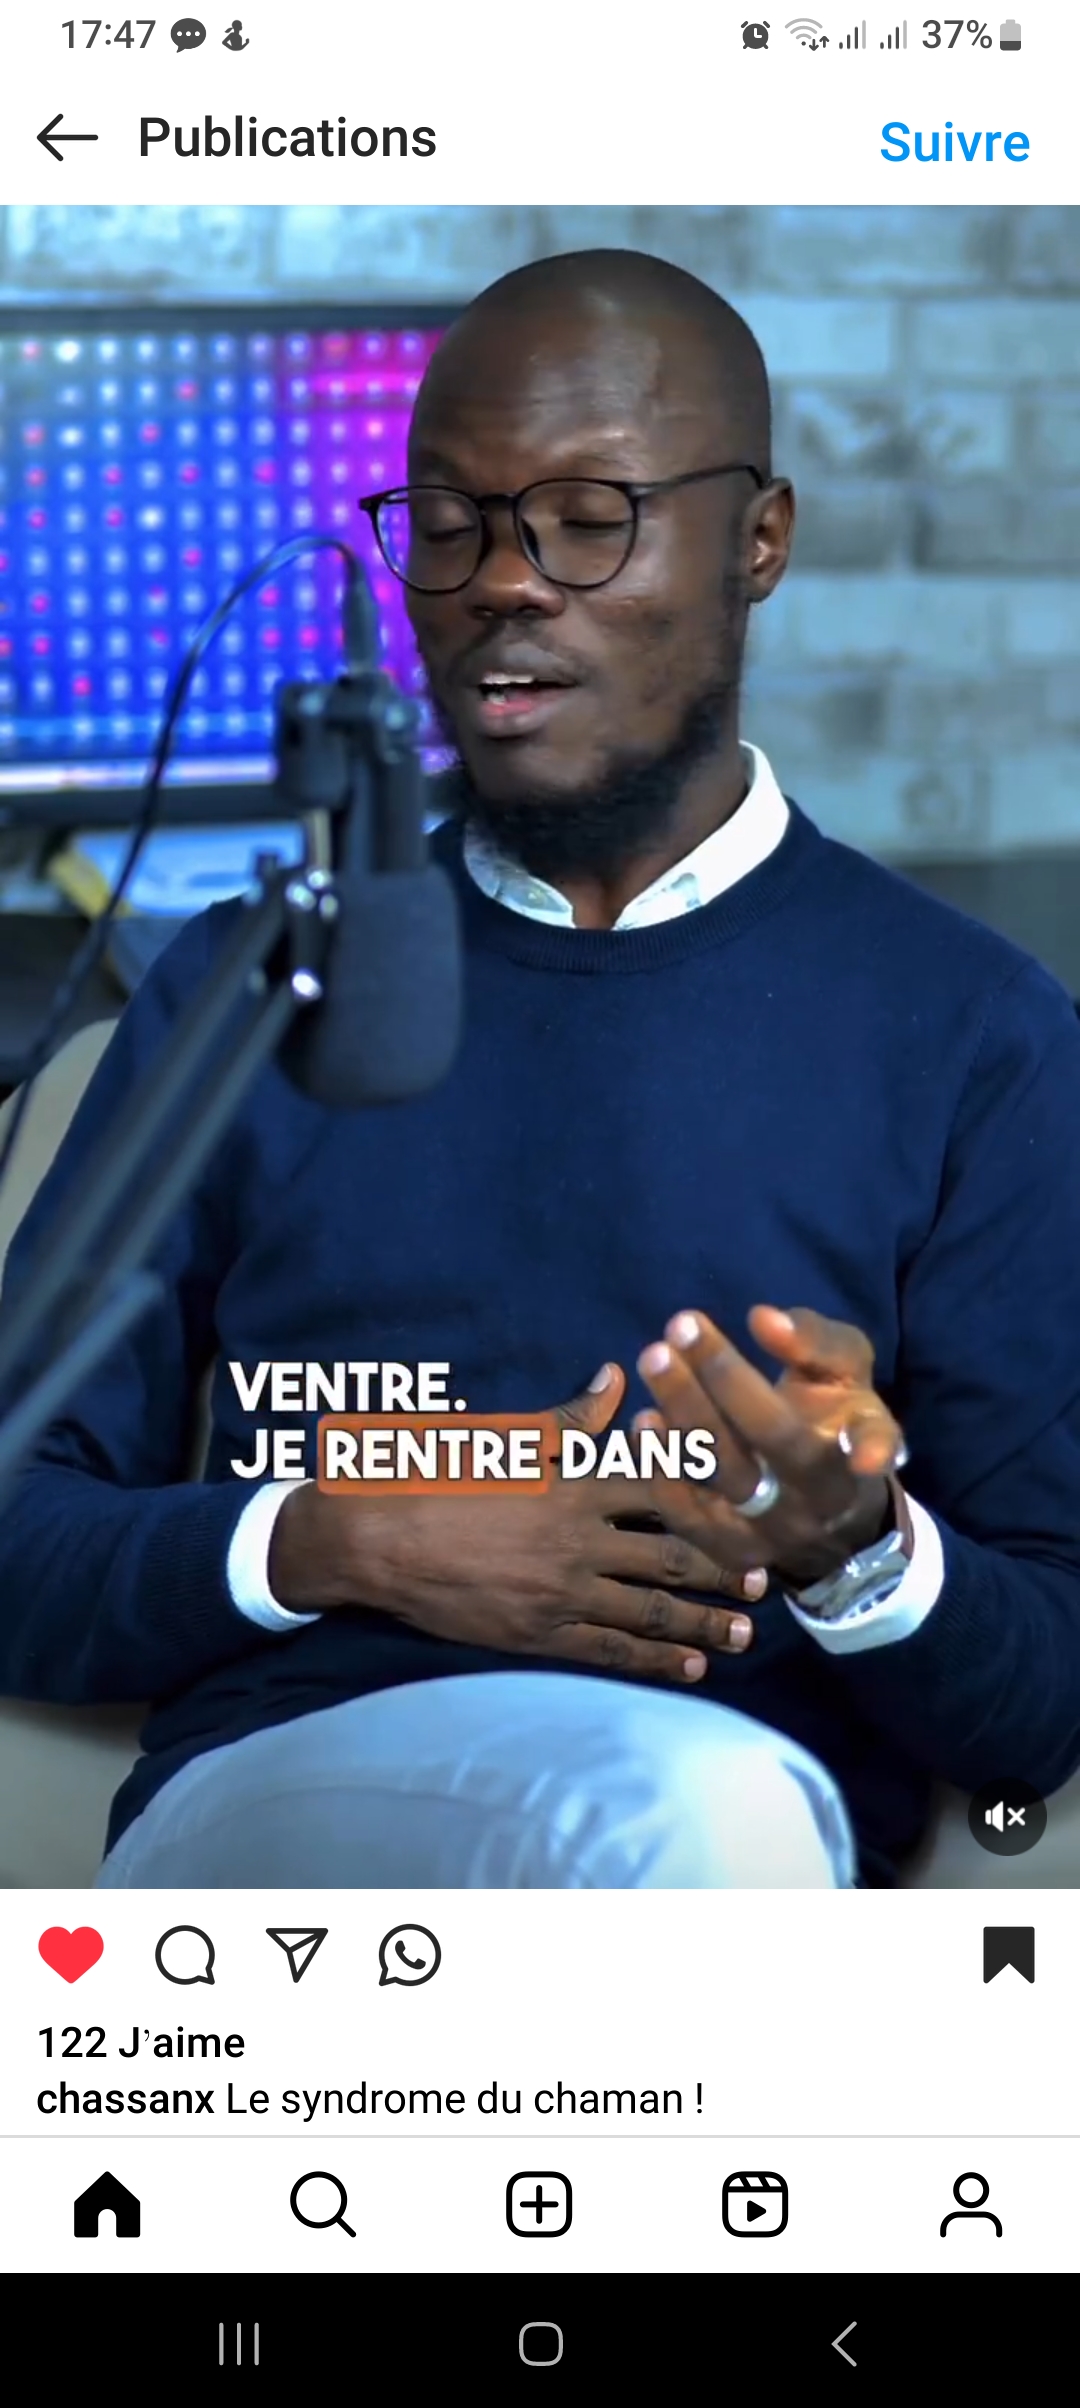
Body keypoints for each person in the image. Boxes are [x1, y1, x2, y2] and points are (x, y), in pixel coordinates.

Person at [1, 247, 1079, 1890]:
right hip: (283, 1807)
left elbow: (1040, 1696)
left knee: (697, 1815)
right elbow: (18, 1530)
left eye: (589, 518)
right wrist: (347, 1534)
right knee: (670, 1815)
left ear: (761, 541)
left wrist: (859, 1548)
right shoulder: (246, 987)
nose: (505, 581)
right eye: (450, 523)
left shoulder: (974, 1034)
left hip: (746, 1850)